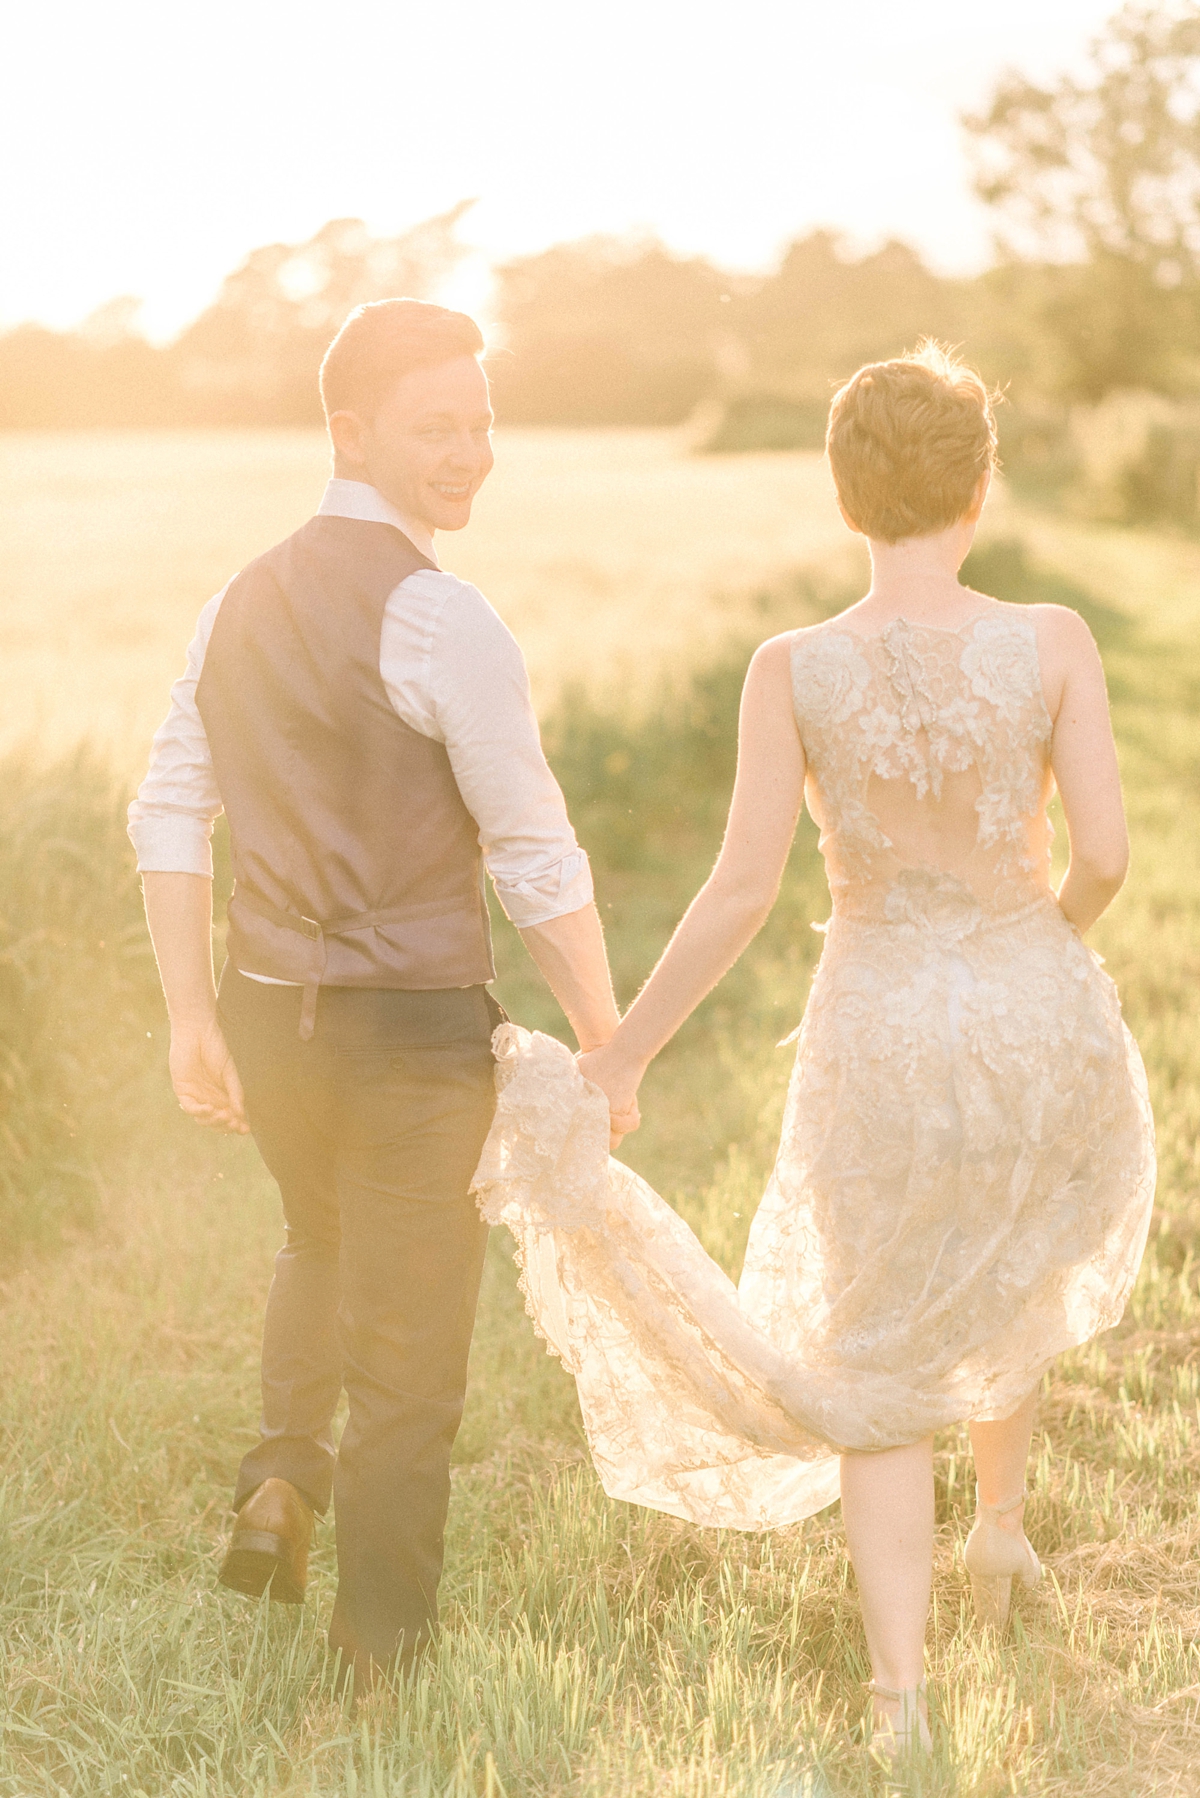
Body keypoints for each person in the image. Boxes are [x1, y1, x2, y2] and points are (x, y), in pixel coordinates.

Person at [472, 342, 1155, 1760]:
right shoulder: (1055, 640)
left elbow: (739, 891)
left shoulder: (792, 669)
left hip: (880, 1031)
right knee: (1008, 1248)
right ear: (983, 486)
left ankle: (899, 1696)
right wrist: (1038, 940)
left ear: (846, 496)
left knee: (880, 1342)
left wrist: (625, 1055)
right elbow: (1104, 852)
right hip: (1032, 1003)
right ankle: (1005, 1533)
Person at [128, 298, 632, 1689]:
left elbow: (169, 811)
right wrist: (610, 1038)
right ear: (353, 432)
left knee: (316, 1234)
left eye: (482, 422)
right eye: (438, 428)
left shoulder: (234, 599)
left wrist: (192, 1013)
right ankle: (378, 1659)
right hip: (413, 1031)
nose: (472, 453)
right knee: (413, 1357)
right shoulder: (445, 617)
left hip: (268, 1011)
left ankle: (283, 1473)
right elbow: (532, 850)